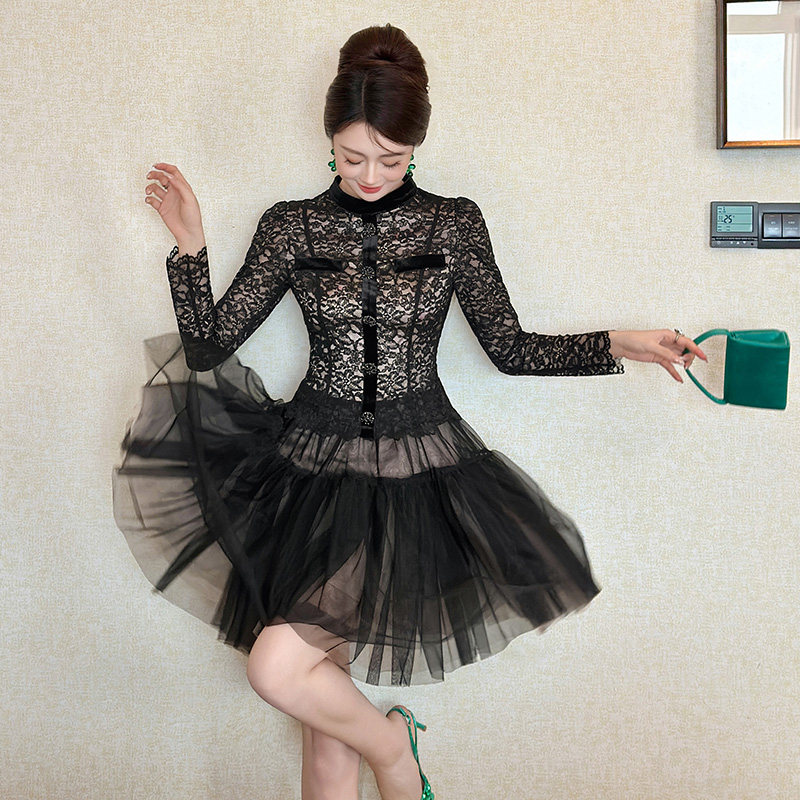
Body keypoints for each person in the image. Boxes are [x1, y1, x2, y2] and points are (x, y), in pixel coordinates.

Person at [112, 23, 707, 800]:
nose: (369, 176)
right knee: (321, 725)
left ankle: (392, 750)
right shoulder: (291, 225)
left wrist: (621, 342)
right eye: (353, 157)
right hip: (307, 476)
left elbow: (509, 347)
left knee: (280, 672)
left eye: (390, 160)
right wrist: (191, 246)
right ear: (330, 140)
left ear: (416, 147)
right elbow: (206, 348)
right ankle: (391, 747)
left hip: (415, 478)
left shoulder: (453, 222)